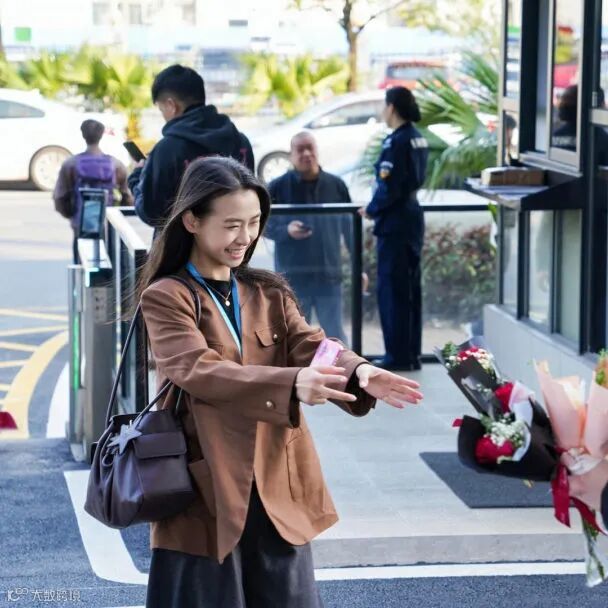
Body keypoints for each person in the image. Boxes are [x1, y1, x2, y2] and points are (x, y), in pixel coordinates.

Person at [138, 156, 423, 608]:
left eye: (254, 223)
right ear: (192, 220)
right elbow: (198, 369)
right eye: (232, 225)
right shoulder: (166, 296)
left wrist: (358, 370)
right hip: (205, 486)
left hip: (276, 480)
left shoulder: (267, 291)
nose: (245, 237)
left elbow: (311, 344)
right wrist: (292, 384)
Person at [129, 64, 254, 229]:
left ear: (171, 105)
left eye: (161, 110)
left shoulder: (167, 149)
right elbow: (250, 198)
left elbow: (152, 213)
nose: (163, 116)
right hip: (233, 241)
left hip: (181, 244)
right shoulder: (241, 142)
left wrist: (136, 178)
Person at [359, 86, 428, 371]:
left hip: (395, 224)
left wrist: (372, 209)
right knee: (410, 291)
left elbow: (390, 186)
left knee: (393, 291)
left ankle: (397, 356)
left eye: (384, 106)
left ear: (392, 108)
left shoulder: (396, 141)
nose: (382, 111)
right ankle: (411, 354)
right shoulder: (417, 138)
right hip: (411, 220)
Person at [264, 131, 353, 343]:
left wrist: (359, 268)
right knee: (294, 337)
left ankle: (345, 365)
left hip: (329, 275)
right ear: (291, 155)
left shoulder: (336, 185)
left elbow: (350, 229)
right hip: (293, 278)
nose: (306, 154)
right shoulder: (277, 187)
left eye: (310, 148)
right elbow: (262, 225)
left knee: (335, 336)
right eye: (300, 149)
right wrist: (286, 231)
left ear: (317, 151)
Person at [53, 119, 132, 262]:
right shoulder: (116, 165)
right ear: (101, 135)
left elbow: (60, 197)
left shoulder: (71, 164)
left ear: (83, 135)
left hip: (81, 225)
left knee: (81, 263)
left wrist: (73, 215)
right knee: (110, 264)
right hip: (108, 224)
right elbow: (128, 197)